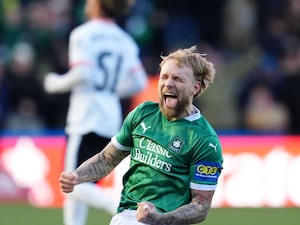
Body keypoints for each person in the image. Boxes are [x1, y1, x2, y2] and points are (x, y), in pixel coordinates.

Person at [59, 46, 223, 225]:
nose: (168, 84)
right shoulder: (143, 114)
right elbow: (107, 159)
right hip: (124, 218)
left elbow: (200, 207)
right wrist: (77, 176)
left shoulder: (205, 141)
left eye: (177, 79)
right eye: (165, 77)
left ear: (195, 88)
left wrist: (160, 219)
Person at [43, 0, 148, 225]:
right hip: (110, 118)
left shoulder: (83, 34)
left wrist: (55, 83)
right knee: (78, 185)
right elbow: (138, 81)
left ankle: (124, 208)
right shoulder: (125, 40)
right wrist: (110, 92)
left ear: (97, 5)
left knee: (71, 183)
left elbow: (83, 73)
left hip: (85, 117)